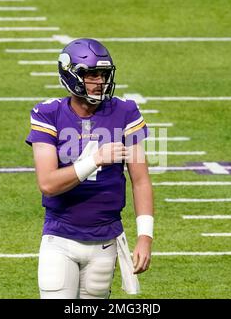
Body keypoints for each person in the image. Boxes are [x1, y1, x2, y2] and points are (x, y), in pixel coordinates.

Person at [25, 38, 154, 299]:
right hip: (60, 238)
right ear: (71, 75)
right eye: (91, 74)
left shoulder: (126, 112)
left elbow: (140, 180)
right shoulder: (48, 114)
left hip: (105, 240)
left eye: (103, 74)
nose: (99, 81)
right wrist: (93, 160)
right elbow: (48, 184)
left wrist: (145, 236)